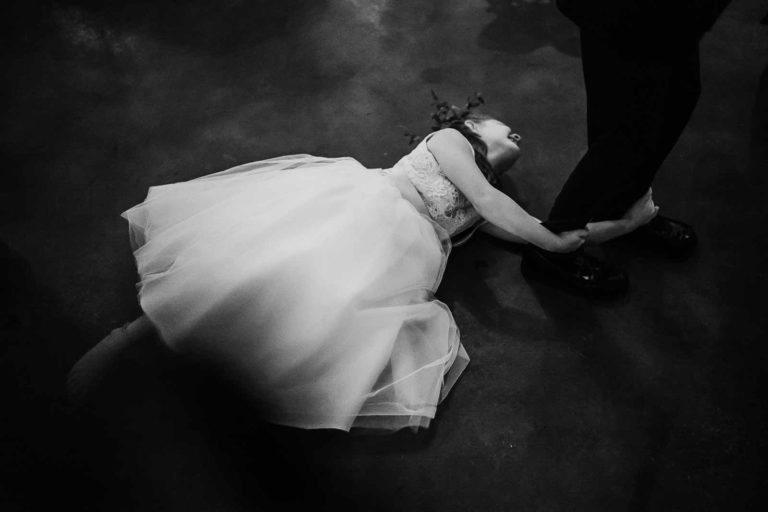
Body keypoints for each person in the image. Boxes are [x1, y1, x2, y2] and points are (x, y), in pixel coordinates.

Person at [67, 103, 656, 432]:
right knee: (262, 267)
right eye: (506, 125)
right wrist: (550, 246)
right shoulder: (449, 143)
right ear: (473, 125)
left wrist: (624, 225)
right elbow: (496, 207)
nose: (517, 132)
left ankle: (215, 368)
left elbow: (526, 229)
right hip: (363, 214)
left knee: (306, 308)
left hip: (400, 256)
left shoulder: (485, 197)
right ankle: (133, 338)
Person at [521, 0, 732, 294]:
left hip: (676, 16)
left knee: (678, 97)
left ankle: (619, 209)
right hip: (630, 11)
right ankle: (553, 245)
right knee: (628, 129)